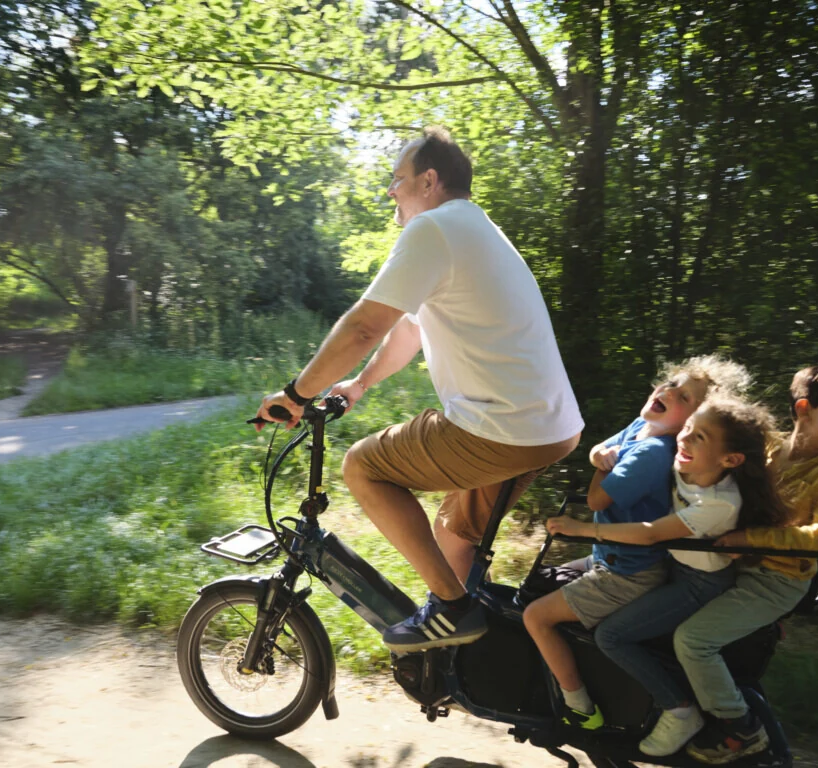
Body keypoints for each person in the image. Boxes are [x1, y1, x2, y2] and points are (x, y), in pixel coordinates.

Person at [255, 127, 583, 653]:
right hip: (548, 428)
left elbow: (365, 327)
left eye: (398, 180)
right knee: (454, 536)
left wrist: (296, 394)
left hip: (499, 428)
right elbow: (408, 327)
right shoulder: (474, 230)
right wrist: (359, 384)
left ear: (430, 181)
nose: (391, 191)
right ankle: (467, 665)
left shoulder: (434, 228)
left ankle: (454, 610)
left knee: (363, 466)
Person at [522, 356, 750, 730]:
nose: (669, 390)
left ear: (693, 424)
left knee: (536, 616)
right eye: (671, 382)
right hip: (610, 557)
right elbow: (601, 449)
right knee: (539, 582)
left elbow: (597, 501)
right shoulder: (641, 427)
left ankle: (579, 706)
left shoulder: (653, 452)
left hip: (628, 571)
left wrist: (597, 472)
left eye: (685, 396)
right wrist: (599, 456)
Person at [675, 362, 818, 765]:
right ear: (804, 409)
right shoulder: (767, 448)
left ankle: (740, 728)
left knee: (693, 641)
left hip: (777, 581)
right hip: (734, 566)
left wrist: (749, 539)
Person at [566, 395, 788, 756]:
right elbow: (615, 448)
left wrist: (581, 530)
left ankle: (679, 710)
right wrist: (598, 456)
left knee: (613, 636)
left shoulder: (719, 502)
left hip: (698, 585)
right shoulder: (680, 461)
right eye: (686, 428)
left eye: (699, 437)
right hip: (669, 568)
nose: (683, 439)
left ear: (730, 460)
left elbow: (650, 532)